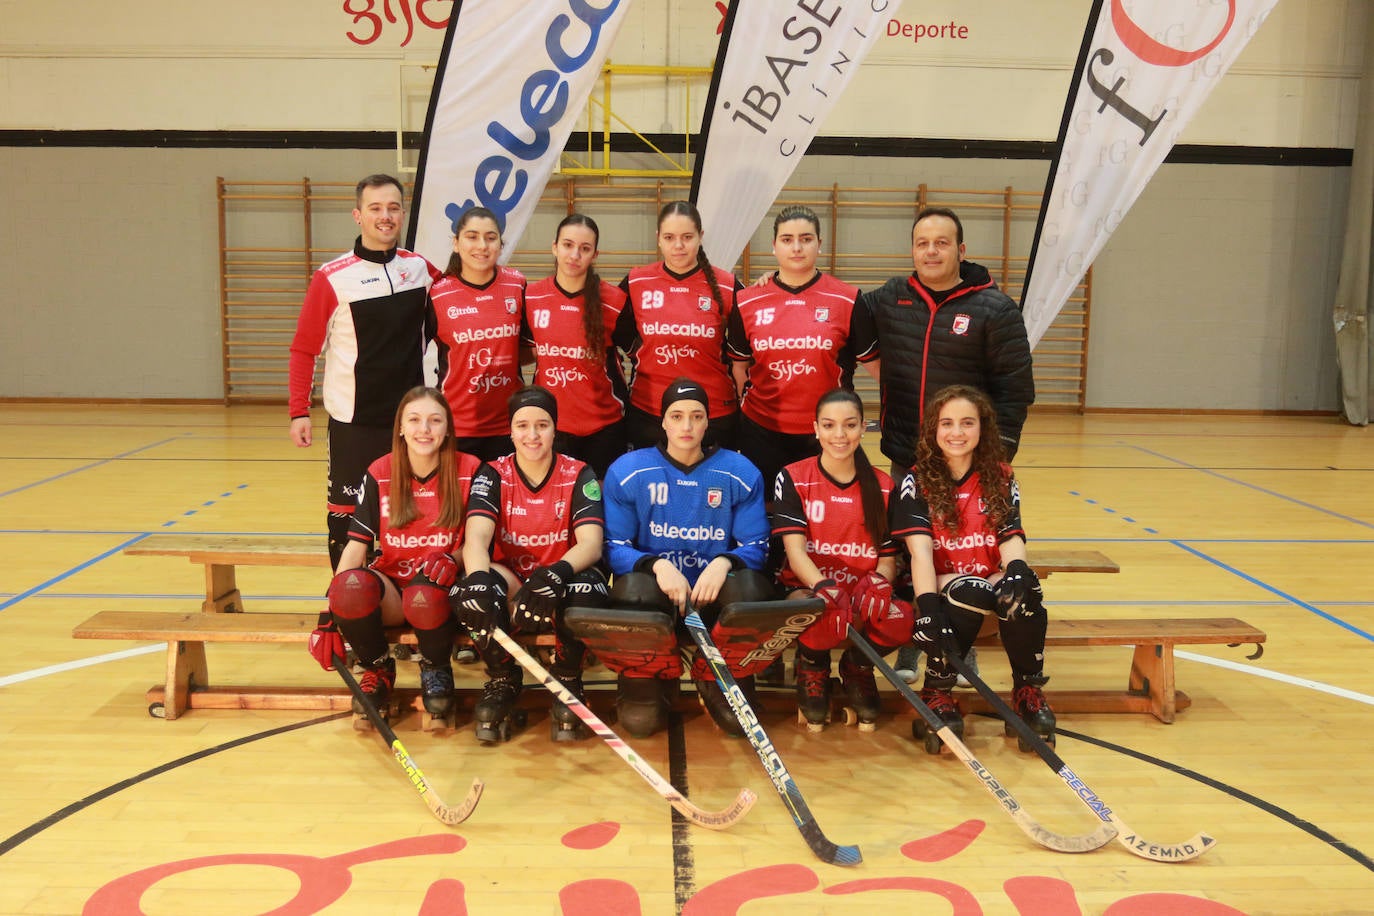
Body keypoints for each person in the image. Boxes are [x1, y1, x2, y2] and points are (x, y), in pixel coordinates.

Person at [602, 378, 772, 738]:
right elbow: (613, 546)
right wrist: (657, 564)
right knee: (631, 586)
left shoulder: (739, 472)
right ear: (662, 421)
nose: (687, 426)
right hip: (657, 600)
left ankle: (720, 673)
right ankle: (646, 676)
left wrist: (725, 561)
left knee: (750, 585)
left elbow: (757, 546)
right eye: (676, 416)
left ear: (707, 422)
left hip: (710, 602)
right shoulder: (629, 470)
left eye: (696, 416)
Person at [288, 174, 440, 570]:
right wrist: (298, 411)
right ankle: (345, 600)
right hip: (354, 422)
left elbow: (460, 309)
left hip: (412, 423)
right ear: (358, 215)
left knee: (412, 513)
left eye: (393, 208)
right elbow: (305, 349)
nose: (385, 216)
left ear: (403, 214)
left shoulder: (421, 269)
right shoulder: (332, 277)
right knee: (347, 517)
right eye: (375, 208)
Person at [890, 384, 1054, 748]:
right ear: (934, 430)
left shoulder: (1001, 476)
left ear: (983, 428)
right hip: (937, 581)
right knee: (970, 588)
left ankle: (1027, 690)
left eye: (967, 423)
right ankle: (937, 689)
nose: (957, 432)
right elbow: (919, 554)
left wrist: (1017, 573)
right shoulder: (916, 481)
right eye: (947, 423)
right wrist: (928, 609)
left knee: (1024, 589)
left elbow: (1010, 536)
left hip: (986, 575)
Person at [307, 386, 481, 724]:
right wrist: (328, 612)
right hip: (392, 589)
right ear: (400, 427)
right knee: (349, 587)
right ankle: (378, 669)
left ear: (447, 428)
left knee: (424, 595)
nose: (424, 430)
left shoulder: (470, 470)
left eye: (434, 421)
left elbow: (478, 540)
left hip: (438, 590)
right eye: (414, 420)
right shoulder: (380, 471)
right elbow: (356, 546)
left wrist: (453, 558)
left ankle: (435, 668)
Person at [458, 386, 607, 743]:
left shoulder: (579, 472)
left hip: (561, 575)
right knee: (468, 592)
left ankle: (568, 677)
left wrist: (554, 573)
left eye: (542, 425)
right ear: (510, 431)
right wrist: (478, 579)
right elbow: (476, 539)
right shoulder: (492, 473)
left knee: (588, 588)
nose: (532, 435)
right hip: (513, 578)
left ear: (555, 429)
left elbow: (591, 544)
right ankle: (503, 678)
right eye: (522, 426)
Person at [851, 206, 1034, 476]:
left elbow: (1015, 391)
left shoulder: (997, 310)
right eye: (922, 243)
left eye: (941, 243)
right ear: (913, 251)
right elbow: (839, 310)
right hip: (906, 458)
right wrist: (777, 281)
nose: (931, 251)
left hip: (968, 462)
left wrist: (1001, 455)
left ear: (961, 251)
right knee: (908, 521)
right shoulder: (891, 296)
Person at [771, 389, 912, 731]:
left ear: (863, 428)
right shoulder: (793, 477)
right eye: (829, 425)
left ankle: (858, 666)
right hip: (810, 589)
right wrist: (822, 585)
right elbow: (795, 551)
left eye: (849, 425)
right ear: (815, 429)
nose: (839, 435)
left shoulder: (882, 485)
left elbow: (888, 556)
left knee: (902, 618)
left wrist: (880, 580)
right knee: (816, 608)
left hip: (859, 593)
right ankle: (813, 666)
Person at [727, 205, 876, 490]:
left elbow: (876, 366)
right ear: (774, 247)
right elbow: (738, 369)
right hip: (762, 432)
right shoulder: (746, 301)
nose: (796, 247)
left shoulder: (847, 299)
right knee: (767, 516)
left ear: (820, 244)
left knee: (823, 519)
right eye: (787, 239)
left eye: (806, 239)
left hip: (828, 434)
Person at [615, 201, 742, 451]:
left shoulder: (727, 285)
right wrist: (640, 353)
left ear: (700, 237)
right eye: (670, 237)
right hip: (649, 411)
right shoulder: (637, 281)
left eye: (687, 237)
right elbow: (616, 330)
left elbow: (746, 346)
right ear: (658, 238)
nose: (678, 245)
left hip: (713, 413)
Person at [522, 213, 631, 478]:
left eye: (584, 249)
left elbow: (638, 352)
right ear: (554, 247)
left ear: (595, 254)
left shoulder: (614, 300)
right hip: (551, 426)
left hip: (605, 427)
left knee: (600, 508)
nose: (574, 255)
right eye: (568, 245)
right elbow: (525, 351)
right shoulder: (532, 296)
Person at [431, 206, 526, 462]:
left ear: (500, 244)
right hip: (457, 428)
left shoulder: (517, 285)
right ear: (456, 243)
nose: (482, 245)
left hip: (510, 426)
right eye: (472, 236)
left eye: (491, 237)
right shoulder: (438, 294)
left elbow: (528, 347)